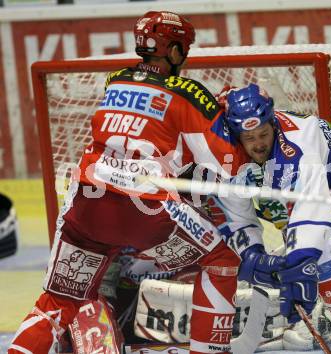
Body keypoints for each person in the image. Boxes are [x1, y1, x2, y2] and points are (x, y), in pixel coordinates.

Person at [8, 12, 285, 354]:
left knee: (56, 301)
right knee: (222, 262)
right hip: (145, 208)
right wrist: (224, 118)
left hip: (85, 202)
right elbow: (230, 162)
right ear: (173, 51)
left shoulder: (116, 79)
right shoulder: (188, 92)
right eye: (182, 47)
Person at [215, 83, 331, 354]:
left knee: (324, 252)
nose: (258, 144)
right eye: (250, 138)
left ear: (273, 123)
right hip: (287, 189)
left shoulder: (298, 142)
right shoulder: (227, 151)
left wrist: (300, 263)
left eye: (263, 134)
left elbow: (311, 214)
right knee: (303, 254)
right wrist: (253, 256)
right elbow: (236, 212)